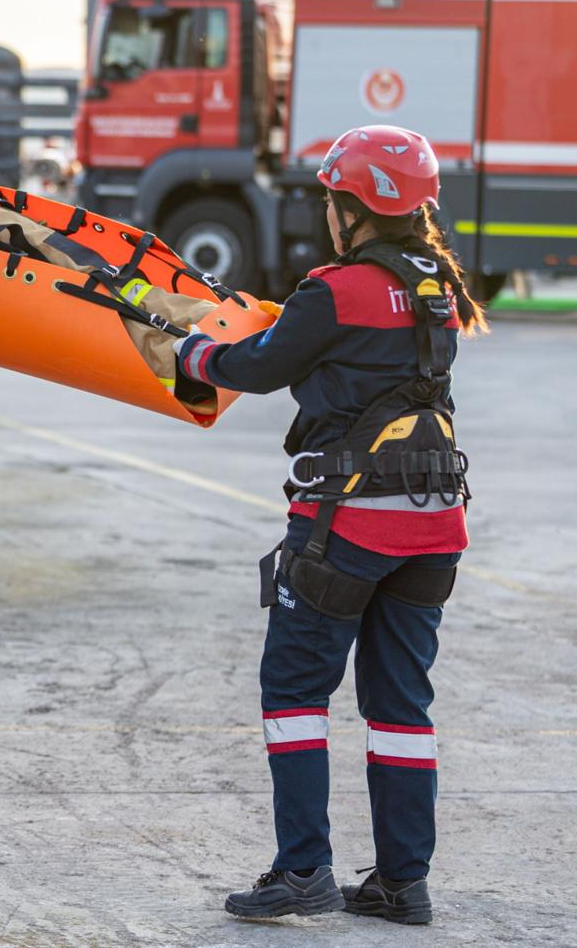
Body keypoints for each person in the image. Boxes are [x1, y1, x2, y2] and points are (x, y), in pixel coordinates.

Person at [173, 125, 486, 924]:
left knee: (293, 691)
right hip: (434, 526)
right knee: (401, 707)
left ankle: (303, 869)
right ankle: (402, 883)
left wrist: (195, 355)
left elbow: (257, 367)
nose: (326, 213)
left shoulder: (335, 289)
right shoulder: (438, 290)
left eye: (331, 200)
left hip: (346, 528)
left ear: (355, 207)